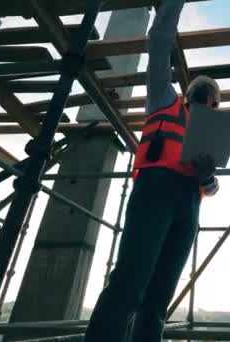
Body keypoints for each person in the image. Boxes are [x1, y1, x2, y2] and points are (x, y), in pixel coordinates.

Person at [84, 1, 220, 341]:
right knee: (130, 281)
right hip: (155, 190)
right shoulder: (164, 99)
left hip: (189, 202)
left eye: (213, 95)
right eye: (202, 89)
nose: (207, 93)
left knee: (159, 297)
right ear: (188, 92)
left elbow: (213, 187)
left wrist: (207, 178)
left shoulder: (215, 130)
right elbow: (159, 43)